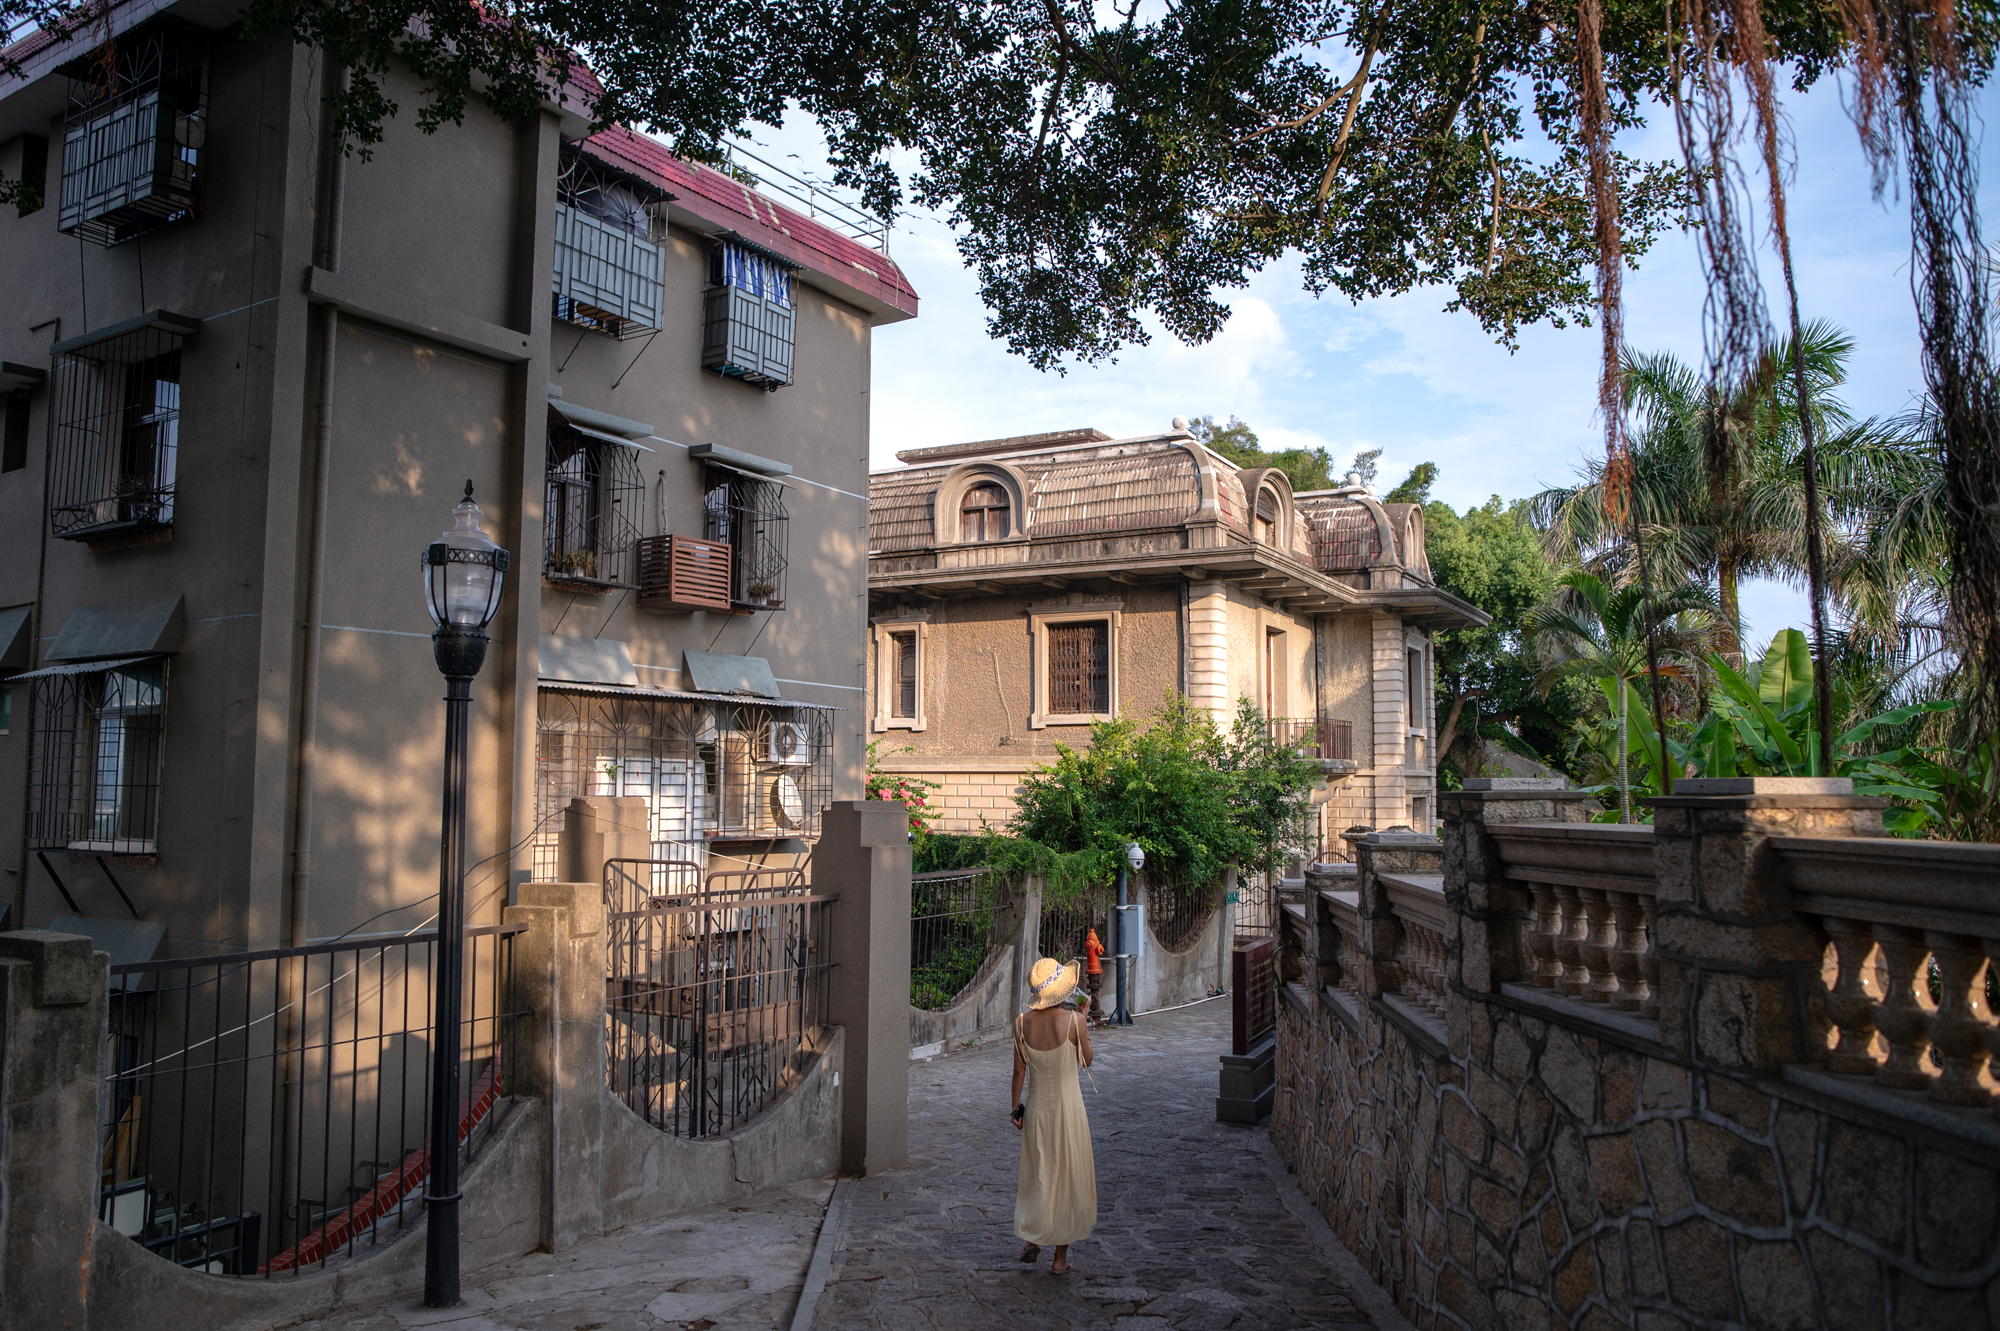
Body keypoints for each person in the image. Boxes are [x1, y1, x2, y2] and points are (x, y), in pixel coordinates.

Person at [1010, 956, 1097, 1274]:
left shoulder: (1022, 1023)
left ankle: (1034, 1236)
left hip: (1037, 1112)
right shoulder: (1074, 1021)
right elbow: (1086, 1061)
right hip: (1068, 1111)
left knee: (1041, 1175)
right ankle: (1060, 1260)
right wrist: (1084, 1021)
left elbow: (1018, 1072)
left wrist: (1015, 1107)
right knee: (1067, 1179)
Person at [1083, 928, 1105, 1023]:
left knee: (1089, 996)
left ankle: (1092, 1012)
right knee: (1092, 995)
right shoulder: (1095, 945)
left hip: (1094, 969)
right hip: (1094, 969)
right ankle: (1095, 1013)